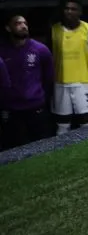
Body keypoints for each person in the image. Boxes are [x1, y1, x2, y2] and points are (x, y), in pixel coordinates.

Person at [0, 14, 54, 150]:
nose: (23, 26)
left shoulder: (41, 50)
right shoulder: (2, 51)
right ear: (8, 28)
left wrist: (40, 97)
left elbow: (48, 78)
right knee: (15, 150)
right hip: (12, 111)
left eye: (25, 23)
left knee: (42, 148)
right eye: (18, 23)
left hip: (36, 109)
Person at [50, 0, 88, 134]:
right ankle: (60, 150)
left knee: (86, 120)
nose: (69, 11)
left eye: (73, 9)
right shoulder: (54, 30)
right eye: (67, 8)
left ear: (80, 12)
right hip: (60, 82)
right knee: (62, 122)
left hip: (82, 81)